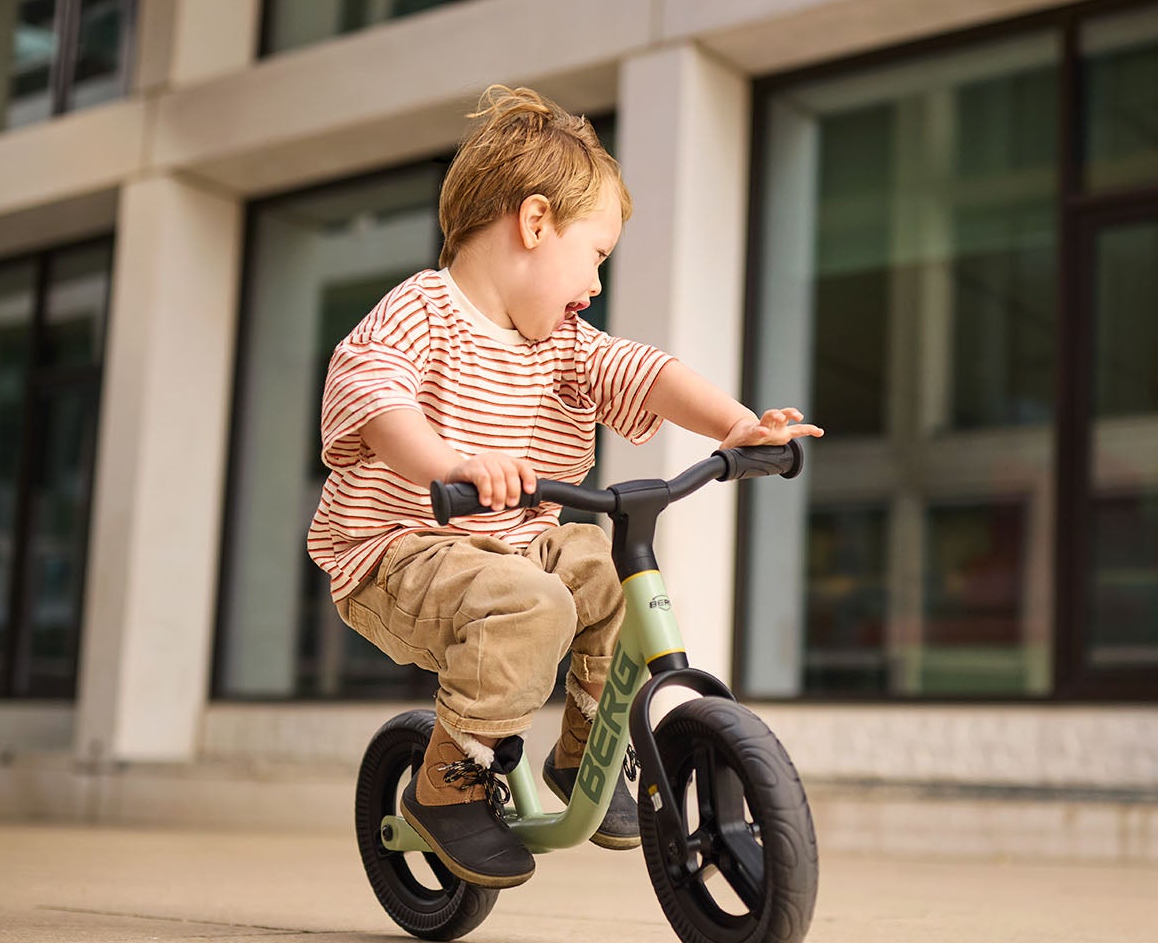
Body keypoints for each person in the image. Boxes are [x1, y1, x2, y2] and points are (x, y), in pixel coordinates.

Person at [307, 85, 820, 890]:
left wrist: (735, 426)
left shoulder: (562, 343)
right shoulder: (423, 309)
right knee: (533, 603)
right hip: (399, 550)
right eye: (597, 256)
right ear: (535, 223)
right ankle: (448, 784)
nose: (596, 285)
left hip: (512, 541)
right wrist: (451, 464)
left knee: (607, 571)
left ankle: (585, 750)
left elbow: (642, 371)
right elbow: (375, 400)